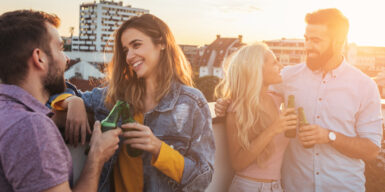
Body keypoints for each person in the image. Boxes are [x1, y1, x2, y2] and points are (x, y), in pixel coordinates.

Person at [215, 8, 382, 192]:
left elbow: (371, 149)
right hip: (294, 187)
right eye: (306, 38)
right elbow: (250, 90)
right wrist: (227, 102)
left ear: (338, 42)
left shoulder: (365, 86)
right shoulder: (287, 76)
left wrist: (329, 136)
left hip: (344, 187)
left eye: (316, 40)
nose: (308, 46)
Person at [56, 14, 215, 191]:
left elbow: (202, 178)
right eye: (125, 51)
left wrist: (157, 148)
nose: (130, 56)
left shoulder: (192, 103)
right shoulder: (113, 96)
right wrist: (73, 101)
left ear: (161, 43)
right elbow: (53, 97)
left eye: (136, 45)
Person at [0, 10, 121, 192]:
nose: (67, 58)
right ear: (39, 58)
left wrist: (73, 101)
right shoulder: (30, 126)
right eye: (60, 48)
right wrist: (97, 158)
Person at [215, 43, 297, 191]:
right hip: (249, 186)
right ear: (257, 70)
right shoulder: (237, 109)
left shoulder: (276, 99)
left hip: (276, 186)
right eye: (274, 63)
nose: (281, 66)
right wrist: (273, 129)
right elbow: (238, 163)